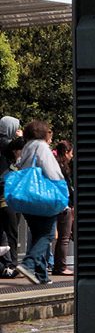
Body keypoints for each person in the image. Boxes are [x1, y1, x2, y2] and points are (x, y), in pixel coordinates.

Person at [15, 120, 65, 285]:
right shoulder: (42, 147)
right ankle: (28, 265)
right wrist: (61, 193)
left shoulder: (27, 147)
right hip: (43, 198)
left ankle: (41, 275)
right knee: (48, 235)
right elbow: (52, 172)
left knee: (38, 234)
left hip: (27, 199)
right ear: (43, 133)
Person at [0, 118, 23, 277]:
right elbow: (18, 144)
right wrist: (21, 137)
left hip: (8, 192)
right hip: (5, 194)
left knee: (4, 232)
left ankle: (6, 265)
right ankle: (13, 264)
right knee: (11, 231)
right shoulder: (4, 142)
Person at [51, 140, 74, 276]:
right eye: (71, 153)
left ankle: (55, 265)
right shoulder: (63, 168)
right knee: (64, 238)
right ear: (66, 153)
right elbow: (68, 189)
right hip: (63, 205)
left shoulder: (53, 164)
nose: (72, 156)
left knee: (51, 237)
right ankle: (61, 266)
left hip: (54, 204)